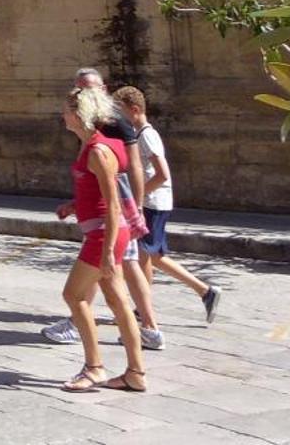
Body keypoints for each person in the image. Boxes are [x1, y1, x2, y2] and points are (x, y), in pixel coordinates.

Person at [45, 68, 161, 350]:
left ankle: (148, 329)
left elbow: (131, 168)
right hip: (106, 218)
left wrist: (135, 207)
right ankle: (136, 357)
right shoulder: (92, 135)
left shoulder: (111, 128)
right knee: (116, 290)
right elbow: (95, 179)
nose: (84, 93)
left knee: (112, 278)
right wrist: (76, 204)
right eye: (80, 88)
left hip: (113, 218)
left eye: (89, 89)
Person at [56, 82, 147, 392]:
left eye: (67, 110)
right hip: (104, 231)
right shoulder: (93, 145)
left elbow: (112, 203)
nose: (63, 115)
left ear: (80, 114)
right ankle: (135, 373)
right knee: (118, 300)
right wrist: (74, 205)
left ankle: (94, 366)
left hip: (104, 234)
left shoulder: (97, 150)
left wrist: (108, 251)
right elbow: (96, 193)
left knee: (74, 295)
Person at [113, 86, 222, 324]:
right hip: (154, 203)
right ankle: (149, 307)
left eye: (120, 112)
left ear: (135, 110)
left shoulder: (145, 136)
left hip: (152, 203)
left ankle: (203, 291)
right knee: (148, 257)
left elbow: (162, 174)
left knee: (149, 257)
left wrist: (137, 198)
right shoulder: (141, 135)